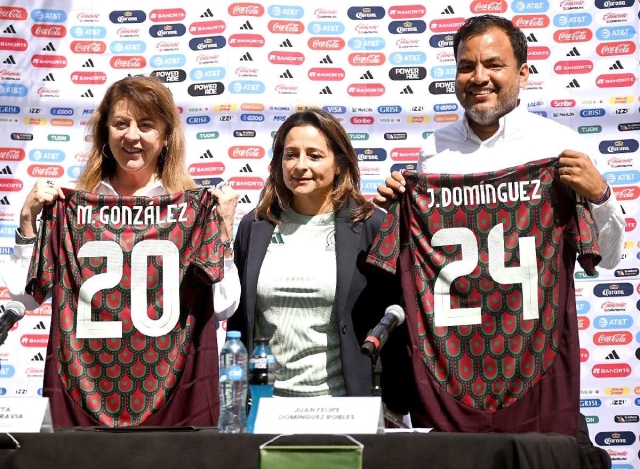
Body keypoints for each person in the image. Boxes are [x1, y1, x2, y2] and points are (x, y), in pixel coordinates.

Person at [372, 13, 623, 456]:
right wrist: (400, 200)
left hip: (535, 370)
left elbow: (607, 260)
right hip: (452, 372)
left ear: (523, 73)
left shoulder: (557, 145)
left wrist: (600, 195)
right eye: (466, 66)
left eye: (493, 64)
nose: (479, 77)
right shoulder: (433, 152)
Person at [0, 75, 240, 427]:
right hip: (83, 394)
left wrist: (223, 233)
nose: (132, 136)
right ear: (105, 133)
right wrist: (26, 223)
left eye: (146, 125)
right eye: (121, 123)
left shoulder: (195, 210)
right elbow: (27, 297)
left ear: (166, 136)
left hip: (174, 404)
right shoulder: (71, 209)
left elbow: (224, 307)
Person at [227, 108, 407, 408]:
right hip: (265, 408)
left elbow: (396, 319)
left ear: (339, 164)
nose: (300, 165)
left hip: (345, 408)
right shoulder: (255, 227)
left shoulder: (370, 226)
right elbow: (239, 318)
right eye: (290, 154)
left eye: (314, 155)